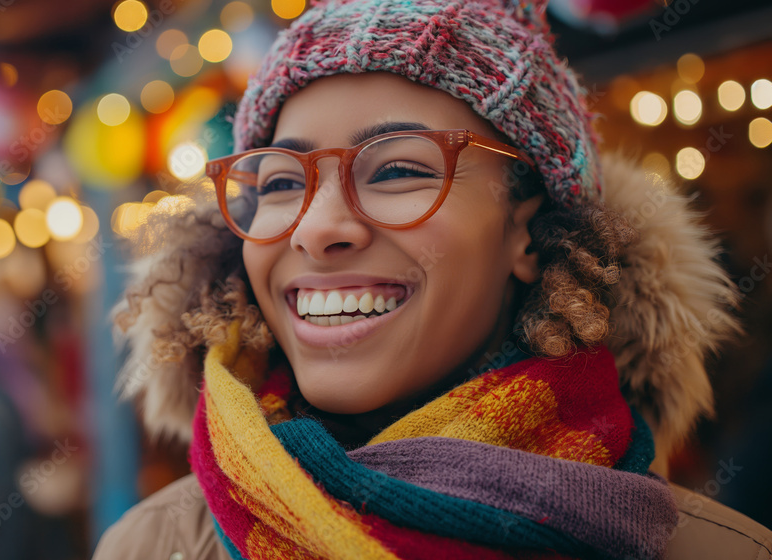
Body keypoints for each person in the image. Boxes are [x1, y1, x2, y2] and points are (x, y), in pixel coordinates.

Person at [94, 0, 772, 557]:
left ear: (527, 234)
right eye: (279, 181)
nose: (316, 227)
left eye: (397, 170)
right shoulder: (150, 545)